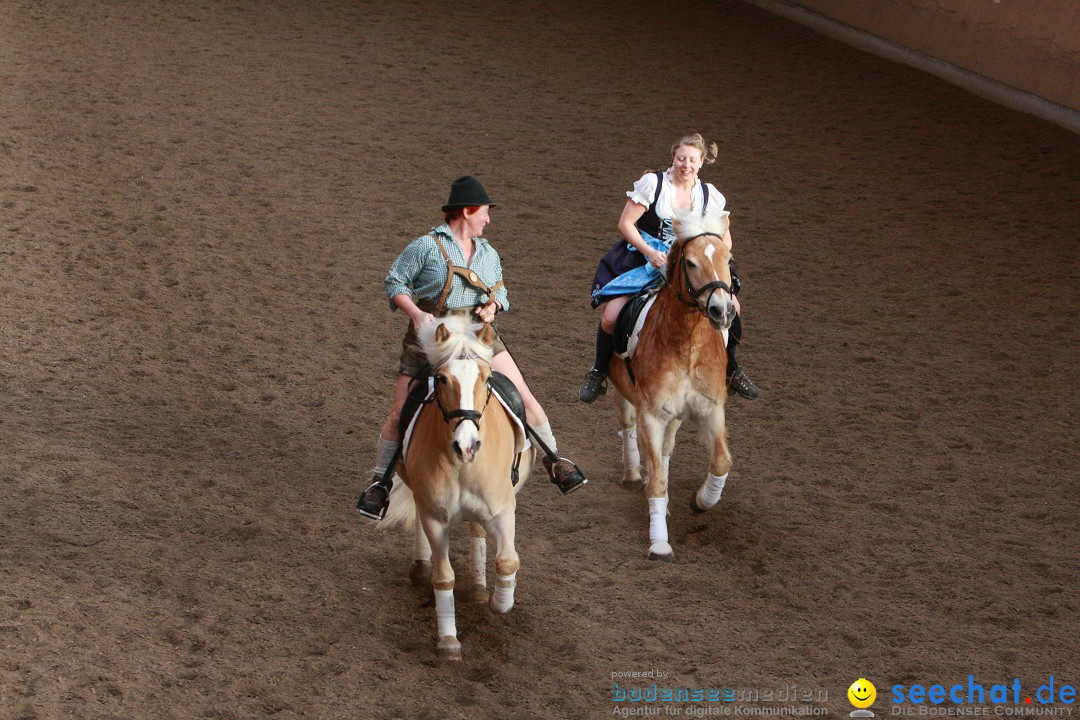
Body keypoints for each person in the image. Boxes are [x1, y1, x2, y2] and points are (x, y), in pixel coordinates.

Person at [357, 176, 586, 520]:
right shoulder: (426, 246)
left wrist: (495, 307)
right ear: (466, 211)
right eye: (484, 213)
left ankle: (555, 461)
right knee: (399, 412)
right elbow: (395, 283)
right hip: (434, 334)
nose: (488, 219)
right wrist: (416, 313)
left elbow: (501, 292)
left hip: (480, 334)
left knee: (525, 397)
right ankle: (380, 483)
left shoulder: (489, 253)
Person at [577, 133, 759, 403]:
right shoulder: (654, 185)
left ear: (702, 162)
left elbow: (723, 238)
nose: (686, 164)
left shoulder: (710, 196)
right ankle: (598, 370)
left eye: (692, 160)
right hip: (649, 258)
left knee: (733, 307)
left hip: (694, 264)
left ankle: (731, 368)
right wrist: (650, 252)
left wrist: (720, 259)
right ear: (673, 159)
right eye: (681, 158)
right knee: (611, 317)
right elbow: (625, 224)